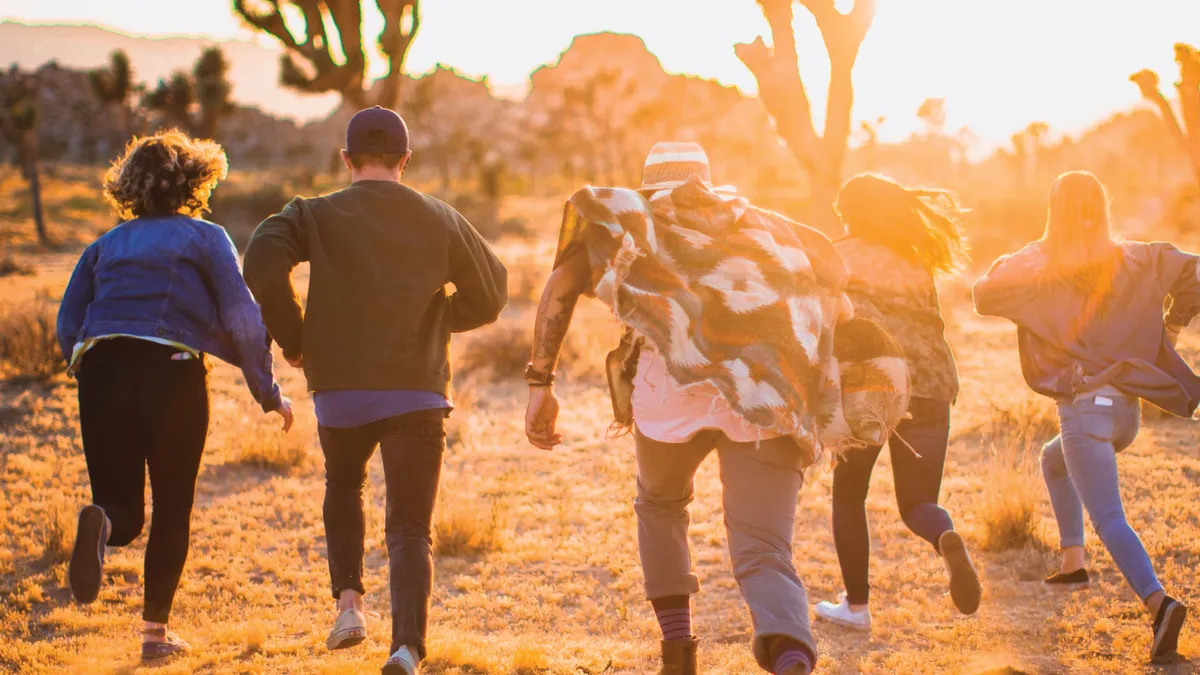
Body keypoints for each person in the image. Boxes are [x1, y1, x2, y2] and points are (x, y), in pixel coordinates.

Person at [524, 142, 889, 675]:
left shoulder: (631, 221)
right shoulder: (768, 229)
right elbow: (840, 296)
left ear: (647, 186)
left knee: (661, 506)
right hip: (764, 395)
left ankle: (678, 652)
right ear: (707, 182)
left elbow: (560, 283)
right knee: (764, 548)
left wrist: (541, 381)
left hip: (667, 395)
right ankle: (790, 656)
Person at [242, 106, 507, 675]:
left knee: (344, 483)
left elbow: (261, 261)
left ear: (347, 159)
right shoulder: (440, 217)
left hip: (340, 389)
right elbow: (492, 291)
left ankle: (350, 608)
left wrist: (297, 337)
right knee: (410, 525)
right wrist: (438, 318)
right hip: (417, 391)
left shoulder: (312, 214)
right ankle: (407, 648)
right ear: (405, 160)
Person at [56, 130, 293, 664]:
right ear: (194, 181)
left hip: (102, 366)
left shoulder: (104, 245)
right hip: (172, 370)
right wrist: (268, 391)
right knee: (171, 508)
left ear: (129, 187)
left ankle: (103, 522)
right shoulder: (205, 237)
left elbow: (68, 321)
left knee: (123, 510)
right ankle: (154, 635)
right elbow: (242, 318)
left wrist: (89, 369)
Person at [974, 170, 1197, 662]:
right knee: (1054, 462)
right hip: (1125, 416)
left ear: (1053, 213)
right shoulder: (1136, 254)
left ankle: (1159, 605)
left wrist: (1028, 250)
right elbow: (1194, 273)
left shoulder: (1040, 264)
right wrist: (1172, 327)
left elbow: (983, 292)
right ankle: (1073, 561)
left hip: (1085, 411)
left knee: (1111, 518)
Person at [813, 174, 982, 631]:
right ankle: (944, 535)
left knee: (849, 495)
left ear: (852, 212)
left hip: (871, 386)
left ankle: (856, 607)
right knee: (918, 502)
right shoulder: (915, 259)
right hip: (931, 384)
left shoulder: (838, 254)